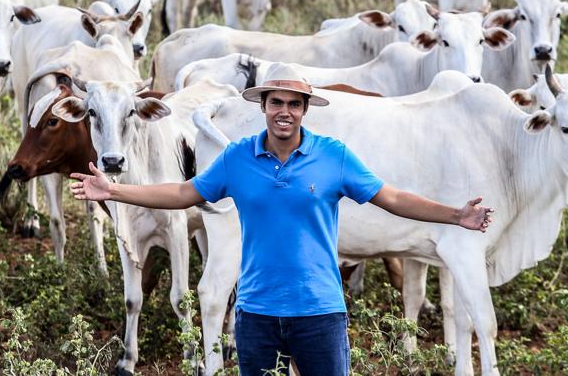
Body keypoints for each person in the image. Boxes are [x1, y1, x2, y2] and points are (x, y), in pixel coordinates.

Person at [70, 66, 493, 376]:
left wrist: (455, 215)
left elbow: (393, 198)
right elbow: (184, 194)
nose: (284, 111)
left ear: (305, 109)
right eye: (276, 103)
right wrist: (114, 191)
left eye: (294, 103)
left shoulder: (333, 156)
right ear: (264, 107)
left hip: (320, 313)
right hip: (256, 314)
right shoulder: (238, 157)